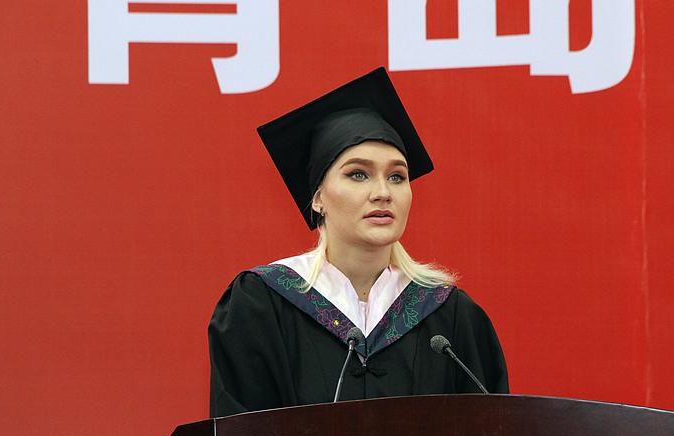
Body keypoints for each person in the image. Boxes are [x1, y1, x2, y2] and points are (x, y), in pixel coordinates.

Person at [209, 68, 508, 417]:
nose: (382, 192)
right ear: (318, 198)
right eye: (358, 174)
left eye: (396, 176)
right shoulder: (263, 304)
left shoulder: (450, 316)